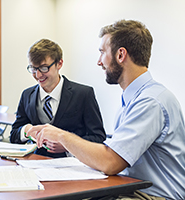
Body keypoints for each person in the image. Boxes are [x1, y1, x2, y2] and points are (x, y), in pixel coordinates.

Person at [27, 20, 185, 199]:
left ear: (120, 55)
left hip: (154, 196)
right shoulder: (136, 98)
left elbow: (110, 162)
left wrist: (61, 136)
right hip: (132, 189)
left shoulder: (150, 102)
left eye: (102, 52)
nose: (99, 62)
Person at [10, 38, 106, 158]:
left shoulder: (83, 94)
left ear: (59, 64)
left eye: (44, 68)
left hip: (74, 167)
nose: (38, 75)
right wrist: (26, 131)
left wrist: (68, 145)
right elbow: (13, 136)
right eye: (33, 69)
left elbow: (98, 137)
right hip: (36, 164)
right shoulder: (27, 95)